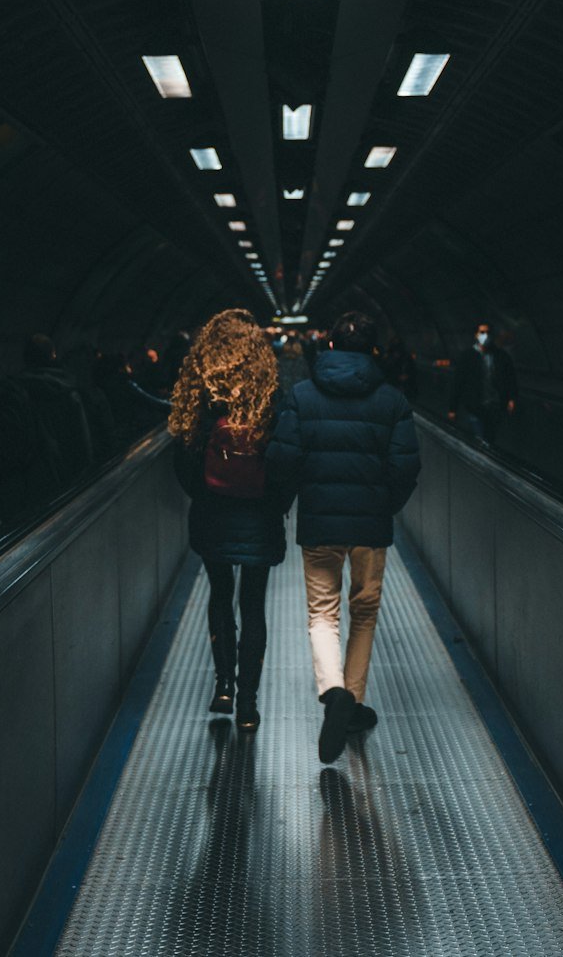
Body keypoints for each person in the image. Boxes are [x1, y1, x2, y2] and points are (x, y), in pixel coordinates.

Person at [266, 310, 420, 764]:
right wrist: (384, 505)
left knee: (322, 614)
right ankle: (351, 699)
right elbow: (406, 467)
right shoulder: (393, 401)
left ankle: (332, 690)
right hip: (371, 523)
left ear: (329, 346)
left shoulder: (301, 396)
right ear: (373, 351)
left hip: (320, 521)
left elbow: (282, 459)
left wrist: (288, 502)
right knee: (365, 612)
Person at [169, 309, 289, 732]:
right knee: (253, 603)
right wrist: (276, 502)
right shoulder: (270, 395)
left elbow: (183, 456)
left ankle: (223, 684)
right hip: (259, 515)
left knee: (220, 594)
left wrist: (203, 494)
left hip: (213, 512)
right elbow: (284, 460)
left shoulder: (200, 394)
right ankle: (249, 705)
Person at [0, 333, 94, 526]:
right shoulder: (67, 393)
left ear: (25, 359)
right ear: (53, 356)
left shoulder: (7, 391)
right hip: (54, 488)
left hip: (12, 491)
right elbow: (82, 450)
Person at [447, 321, 518, 445]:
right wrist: (453, 408)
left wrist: (511, 398)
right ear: (476, 335)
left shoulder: (501, 356)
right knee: (480, 439)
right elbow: (457, 382)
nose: (485, 335)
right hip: (474, 405)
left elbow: (510, 378)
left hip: (494, 406)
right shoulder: (467, 356)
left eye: (488, 333)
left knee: (490, 439)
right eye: (482, 332)